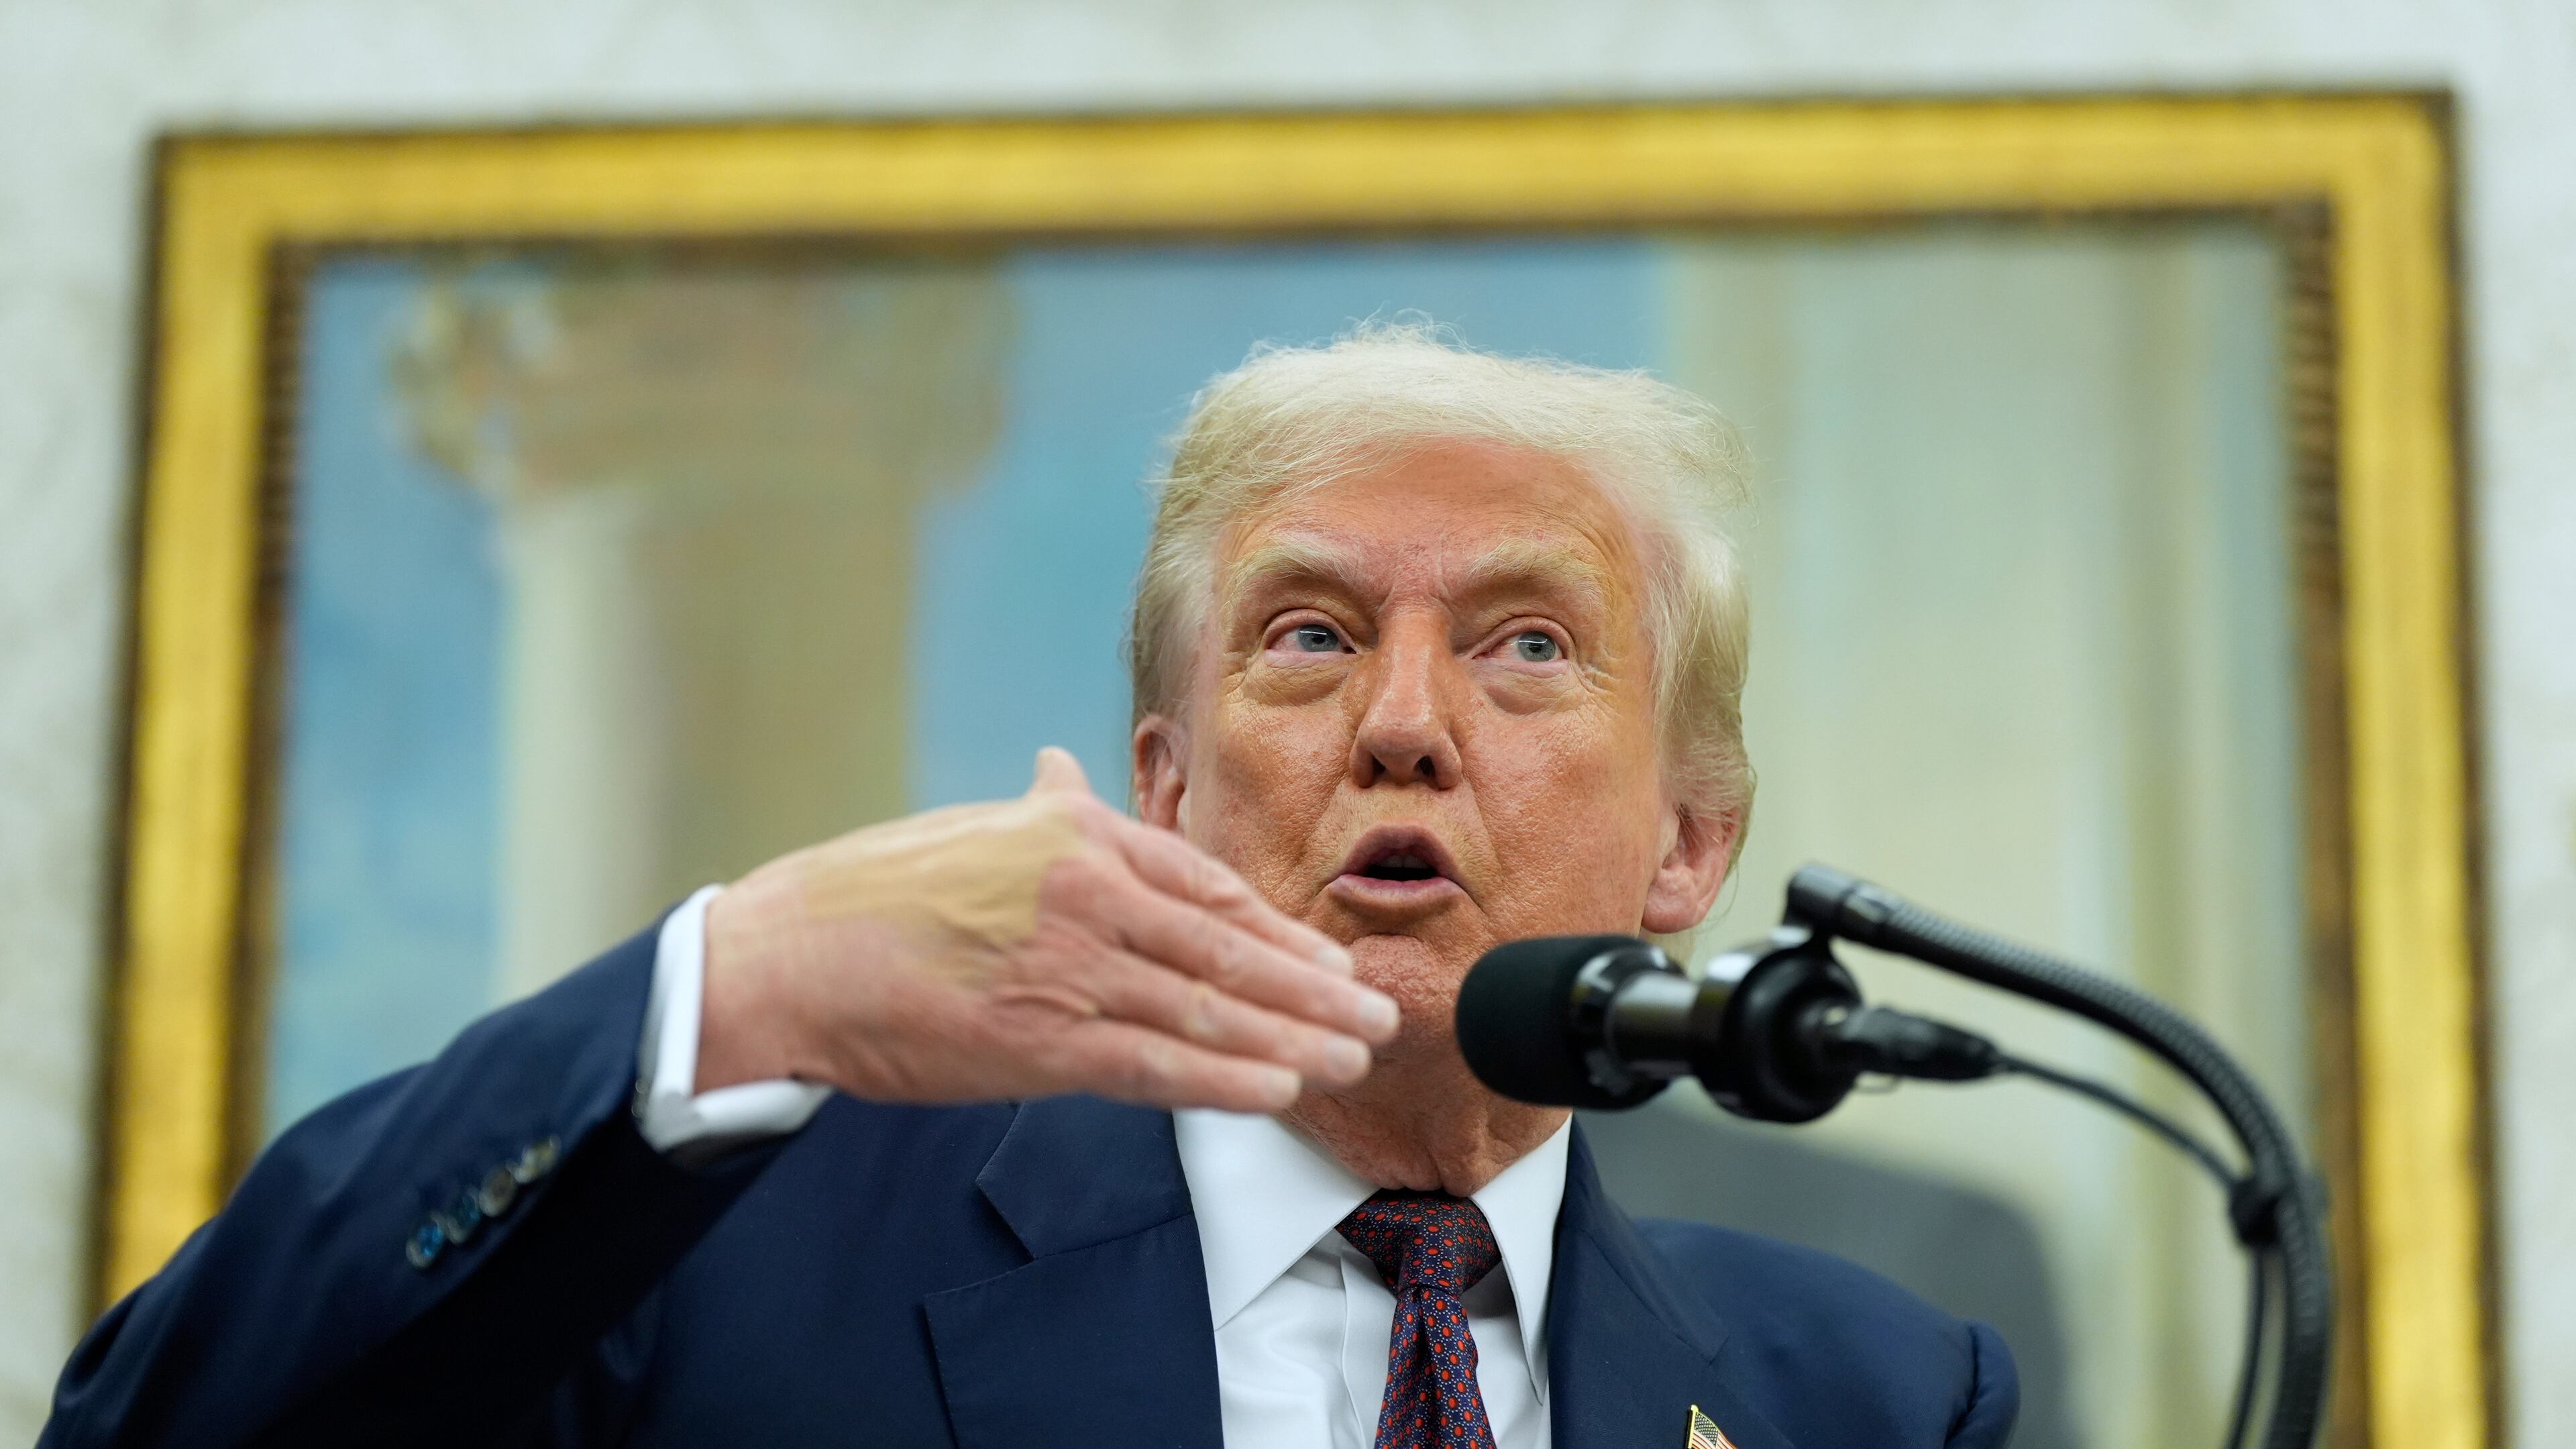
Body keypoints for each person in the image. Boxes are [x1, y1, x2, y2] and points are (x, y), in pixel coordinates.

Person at [44, 327, 2017, 1449]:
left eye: (1526, 648)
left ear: (1691, 842)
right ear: (1164, 793)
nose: (1406, 725)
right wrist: (741, 984)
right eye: (1310, 638)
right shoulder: (718, 1272)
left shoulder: (1872, 1393)